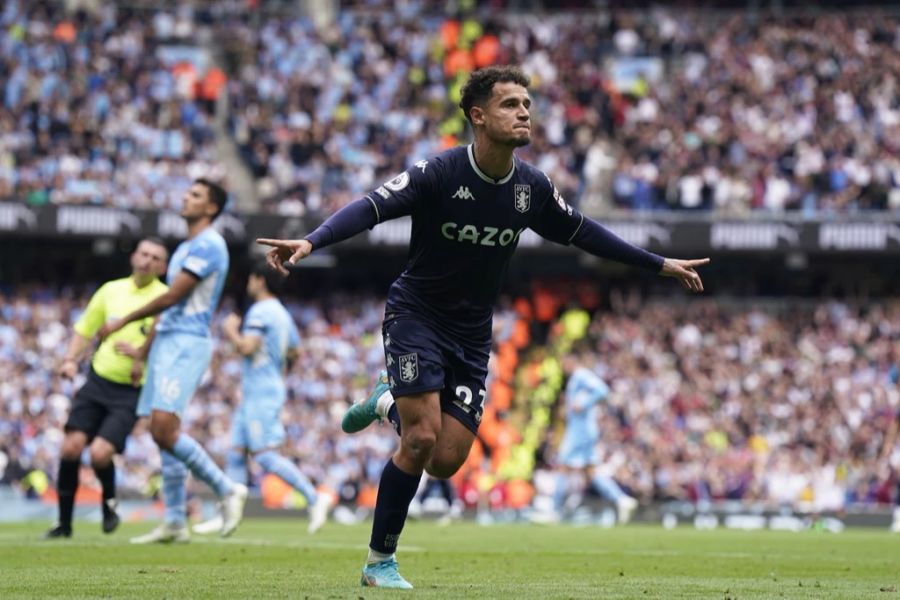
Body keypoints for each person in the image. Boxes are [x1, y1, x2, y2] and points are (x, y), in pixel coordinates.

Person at [258, 65, 709, 589]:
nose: (524, 112)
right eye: (510, 104)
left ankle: (387, 402)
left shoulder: (531, 188)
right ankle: (380, 561)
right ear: (479, 116)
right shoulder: (440, 173)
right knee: (421, 436)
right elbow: (373, 207)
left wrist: (659, 263)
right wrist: (312, 241)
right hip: (416, 315)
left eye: (527, 104)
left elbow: (583, 232)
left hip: (471, 333)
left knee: (447, 461)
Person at [99, 178, 247, 543]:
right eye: (187, 192)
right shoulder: (184, 247)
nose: (185, 197)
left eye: (195, 195)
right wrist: (143, 351)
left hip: (187, 343)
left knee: (165, 427)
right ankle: (176, 520)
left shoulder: (210, 244)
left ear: (211, 208)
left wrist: (123, 320)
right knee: (159, 432)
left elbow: (172, 297)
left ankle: (227, 489)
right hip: (166, 342)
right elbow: (172, 307)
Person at [192, 262, 332, 535]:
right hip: (262, 389)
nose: (248, 284)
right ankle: (226, 515)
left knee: (265, 456)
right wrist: (276, 367)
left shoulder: (260, 311)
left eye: (251, 279)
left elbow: (246, 347)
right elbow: (295, 351)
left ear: (259, 281)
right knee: (235, 454)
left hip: (261, 393)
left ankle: (315, 498)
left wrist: (231, 329)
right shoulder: (282, 313)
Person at [44, 238, 169, 539]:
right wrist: (71, 360)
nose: (147, 260)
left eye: (155, 257)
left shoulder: (165, 298)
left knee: (100, 454)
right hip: (98, 379)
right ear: (133, 257)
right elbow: (85, 328)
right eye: (143, 254)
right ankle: (64, 524)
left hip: (130, 390)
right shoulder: (111, 291)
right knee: (71, 446)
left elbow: (169, 344)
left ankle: (109, 501)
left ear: (163, 267)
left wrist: (143, 355)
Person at [552, 353, 637, 524]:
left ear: (571, 360)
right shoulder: (576, 378)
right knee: (590, 472)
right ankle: (622, 500)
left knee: (563, 466)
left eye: (564, 362)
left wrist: (583, 404)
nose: (563, 366)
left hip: (580, 432)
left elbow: (602, 390)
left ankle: (553, 511)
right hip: (583, 430)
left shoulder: (581, 375)